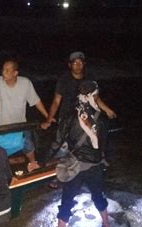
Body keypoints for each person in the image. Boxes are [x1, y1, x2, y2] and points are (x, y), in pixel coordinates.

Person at [49, 80, 113, 227]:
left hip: (75, 167)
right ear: (93, 96)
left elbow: (57, 142)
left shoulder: (69, 118)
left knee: (66, 202)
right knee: (98, 197)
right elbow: (104, 146)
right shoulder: (101, 119)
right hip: (95, 167)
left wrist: (43, 162)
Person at [42, 51, 116, 188]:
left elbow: (95, 97)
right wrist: (49, 119)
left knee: (87, 146)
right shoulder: (64, 80)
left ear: (84, 64)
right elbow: (56, 101)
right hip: (67, 119)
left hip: (86, 118)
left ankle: (87, 173)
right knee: (61, 147)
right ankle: (54, 175)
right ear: (70, 65)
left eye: (80, 62)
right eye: (75, 62)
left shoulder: (89, 78)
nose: (78, 65)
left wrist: (106, 109)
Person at [0, 59, 49, 172]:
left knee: (28, 143)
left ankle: (33, 165)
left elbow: (36, 101)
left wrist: (48, 117)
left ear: (15, 73)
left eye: (7, 70)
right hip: (2, 124)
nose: (3, 73)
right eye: (3, 69)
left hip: (20, 123)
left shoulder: (25, 83)